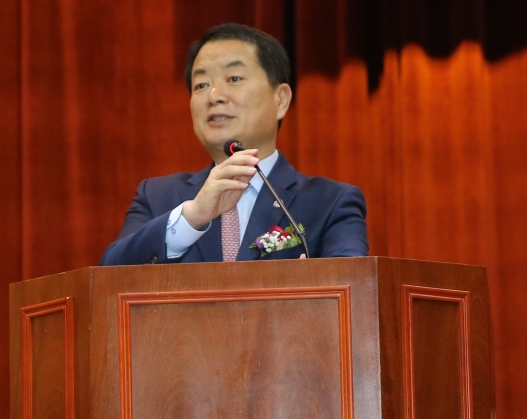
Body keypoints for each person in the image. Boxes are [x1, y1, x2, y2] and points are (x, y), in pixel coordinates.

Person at [100, 22, 367, 266]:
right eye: (201, 84)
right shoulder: (157, 197)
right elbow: (107, 281)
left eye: (234, 79)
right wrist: (192, 218)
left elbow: (352, 291)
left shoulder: (331, 202)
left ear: (281, 100)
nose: (214, 95)